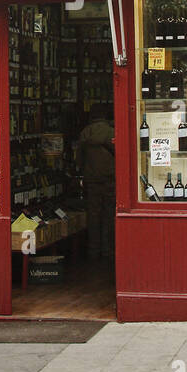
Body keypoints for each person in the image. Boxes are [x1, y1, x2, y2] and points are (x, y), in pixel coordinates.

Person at [76, 104, 116, 260]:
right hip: (110, 179)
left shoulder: (85, 133)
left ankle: (93, 250)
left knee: (93, 215)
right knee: (109, 214)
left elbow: (79, 159)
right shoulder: (111, 132)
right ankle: (108, 250)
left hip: (91, 179)